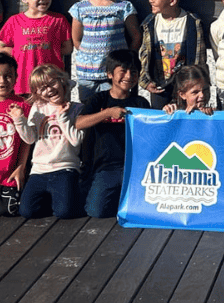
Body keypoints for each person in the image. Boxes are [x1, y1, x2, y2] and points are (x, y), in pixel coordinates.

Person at [76, 49, 150, 217]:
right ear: (109, 74)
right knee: (96, 212)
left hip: (134, 167)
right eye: (122, 71)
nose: (128, 76)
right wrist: (107, 113)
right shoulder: (98, 99)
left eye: (133, 72)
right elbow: (78, 123)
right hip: (105, 167)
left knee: (142, 209)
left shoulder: (141, 102)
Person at [11, 65, 83, 219]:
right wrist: (19, 119)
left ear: (62, 81)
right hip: (39, 170)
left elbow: (76, 141)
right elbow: (30, 138)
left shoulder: (77, 108)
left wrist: (63, 117)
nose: (49, 89)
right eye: (42, 88)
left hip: (65, 168)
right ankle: (54, 198)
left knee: (65, 213)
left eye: (52, 83)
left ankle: (66, 197)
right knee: (27, 211)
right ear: (37, 93)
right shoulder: (38, 108)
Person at [69, 0, 141, 102]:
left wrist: (125, 60)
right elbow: (76, 40)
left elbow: (136, 37)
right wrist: (90, 56)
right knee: (89, 110)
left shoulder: (123, 6)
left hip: (115, 74)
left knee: (114, 110)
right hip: (87, 73)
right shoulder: (80, 8)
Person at [138, 0, 206, 109]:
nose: (150, 0)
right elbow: (144, 54)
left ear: (172, 0)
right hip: (159, 87)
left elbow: (199, 58)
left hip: (185, 87)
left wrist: (196, 86)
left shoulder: (192, 23)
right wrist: (145, 82)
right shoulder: (149, 23)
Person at [0, 0, 73, 95]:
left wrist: (48, 50)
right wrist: (18, 51)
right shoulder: (15, 21)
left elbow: (67, 48)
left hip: (50, 82)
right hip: (22, 82)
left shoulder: (58, 20)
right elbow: (1, 45)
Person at [0, 53, 31, 216]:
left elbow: (27, 142)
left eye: (8, 76)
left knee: (10, 210)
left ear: (16, 77)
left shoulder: (22, 105)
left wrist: (21, 167)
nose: (2, 81)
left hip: (10, 173)